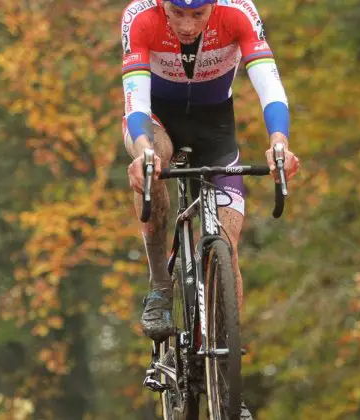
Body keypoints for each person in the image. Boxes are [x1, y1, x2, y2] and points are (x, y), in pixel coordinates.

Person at [119, 0, 300, 415]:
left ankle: (225, 376)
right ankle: (160, 285)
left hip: (217, 131)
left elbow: (269, 85)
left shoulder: (238, 12)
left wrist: (279, 143)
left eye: (197, 15)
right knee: (153, 163)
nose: (186, 25)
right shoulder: (140, 17)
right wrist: (143, 150)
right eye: (177, 14)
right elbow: (135, 101)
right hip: (156, 124)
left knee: (226, 248)